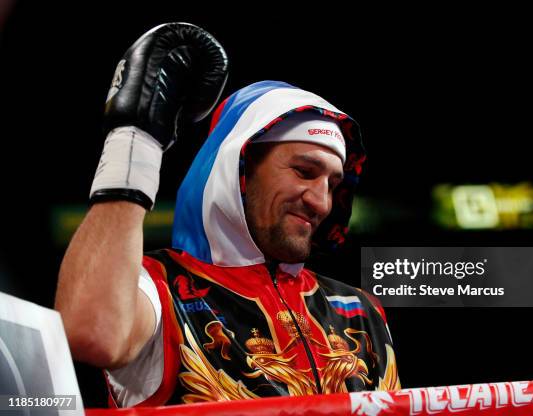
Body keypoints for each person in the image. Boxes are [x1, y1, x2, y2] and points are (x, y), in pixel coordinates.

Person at [54, 23, 400, 408]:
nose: (321, 202)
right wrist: (134, 143)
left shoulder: (358, 310)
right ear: (241, 170)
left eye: (333, 184)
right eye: (304, 172)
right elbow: (91, 332)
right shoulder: (163, 291)